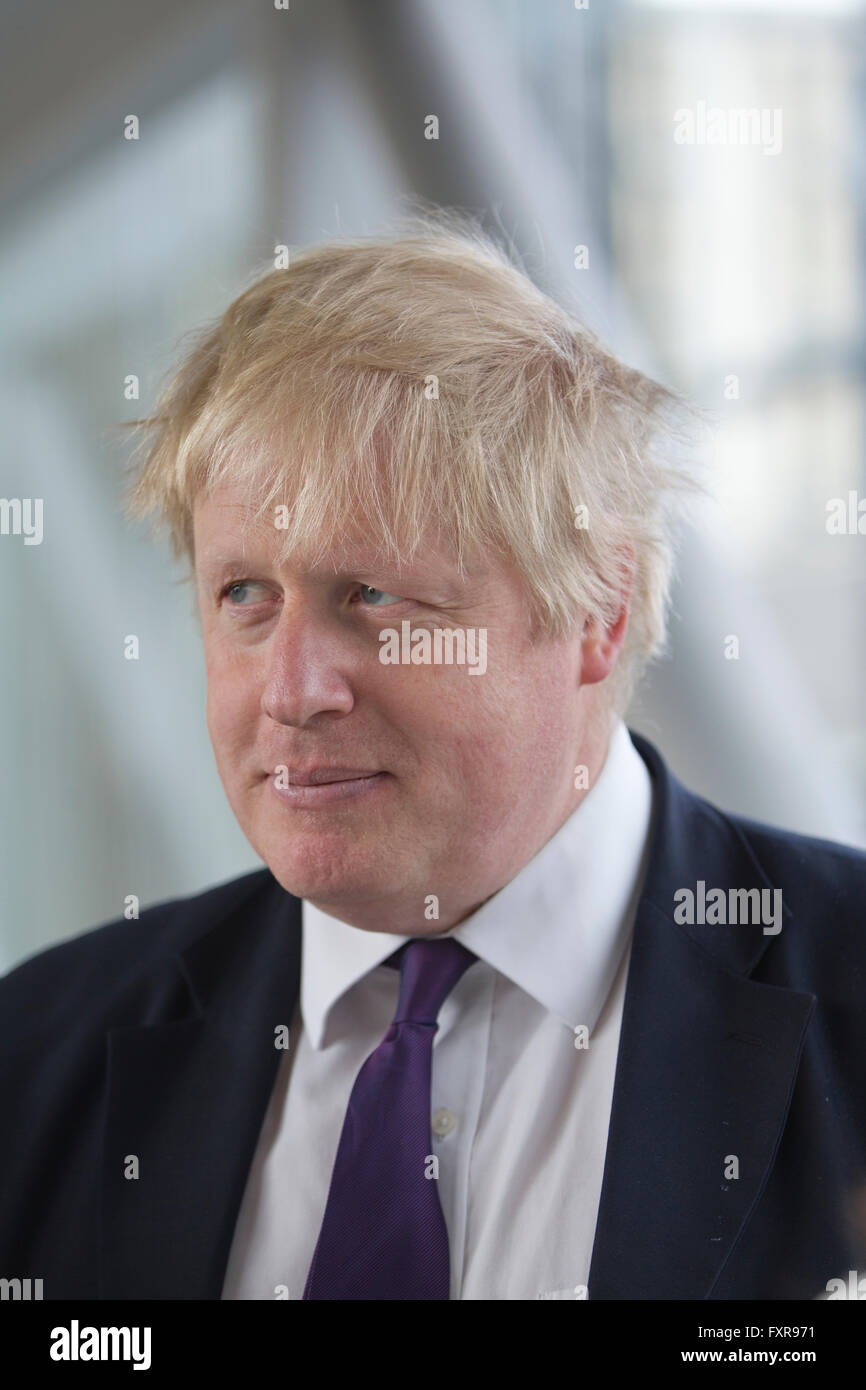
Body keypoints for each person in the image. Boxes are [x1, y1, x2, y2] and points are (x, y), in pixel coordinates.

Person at [2, 213, 865, 1302]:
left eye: (370, 595)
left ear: (596, 609)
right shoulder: (38, 1057)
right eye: (244, 597)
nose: (290, 690)